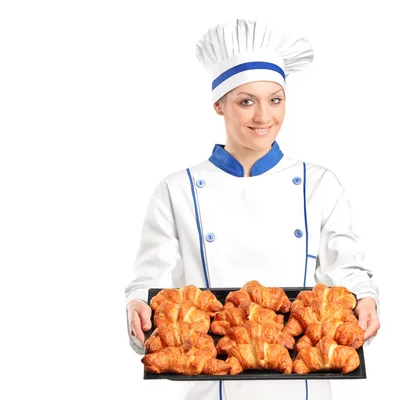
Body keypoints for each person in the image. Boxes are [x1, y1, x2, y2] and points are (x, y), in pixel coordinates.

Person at [125, 18, 380, 400]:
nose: (264, 117)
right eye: (246, 101)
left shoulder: (319, 183)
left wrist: (366, 298)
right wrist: (136, 307)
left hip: (304, 386)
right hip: (214, 385)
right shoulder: (177, 189)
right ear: (218, 105)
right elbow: (152, 282)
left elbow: (347, 271)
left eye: (275, 100)